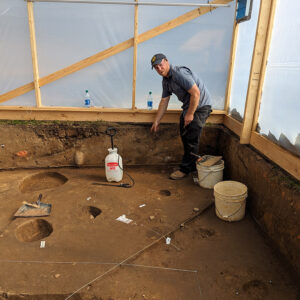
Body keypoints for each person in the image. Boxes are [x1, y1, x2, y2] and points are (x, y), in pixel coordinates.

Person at [150, 53, 212, 180]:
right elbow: (164, 101)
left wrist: (190, 114)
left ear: (166, 61)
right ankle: (192, 166)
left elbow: (196, 93)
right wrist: (156, 121)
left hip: (200, 106)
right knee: (185, 135)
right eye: (156, 68)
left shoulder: (179, 73)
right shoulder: (166, 80)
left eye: (160, 65)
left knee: (191, 137)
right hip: (189, 107)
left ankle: (185, 170)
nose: (159, 69)